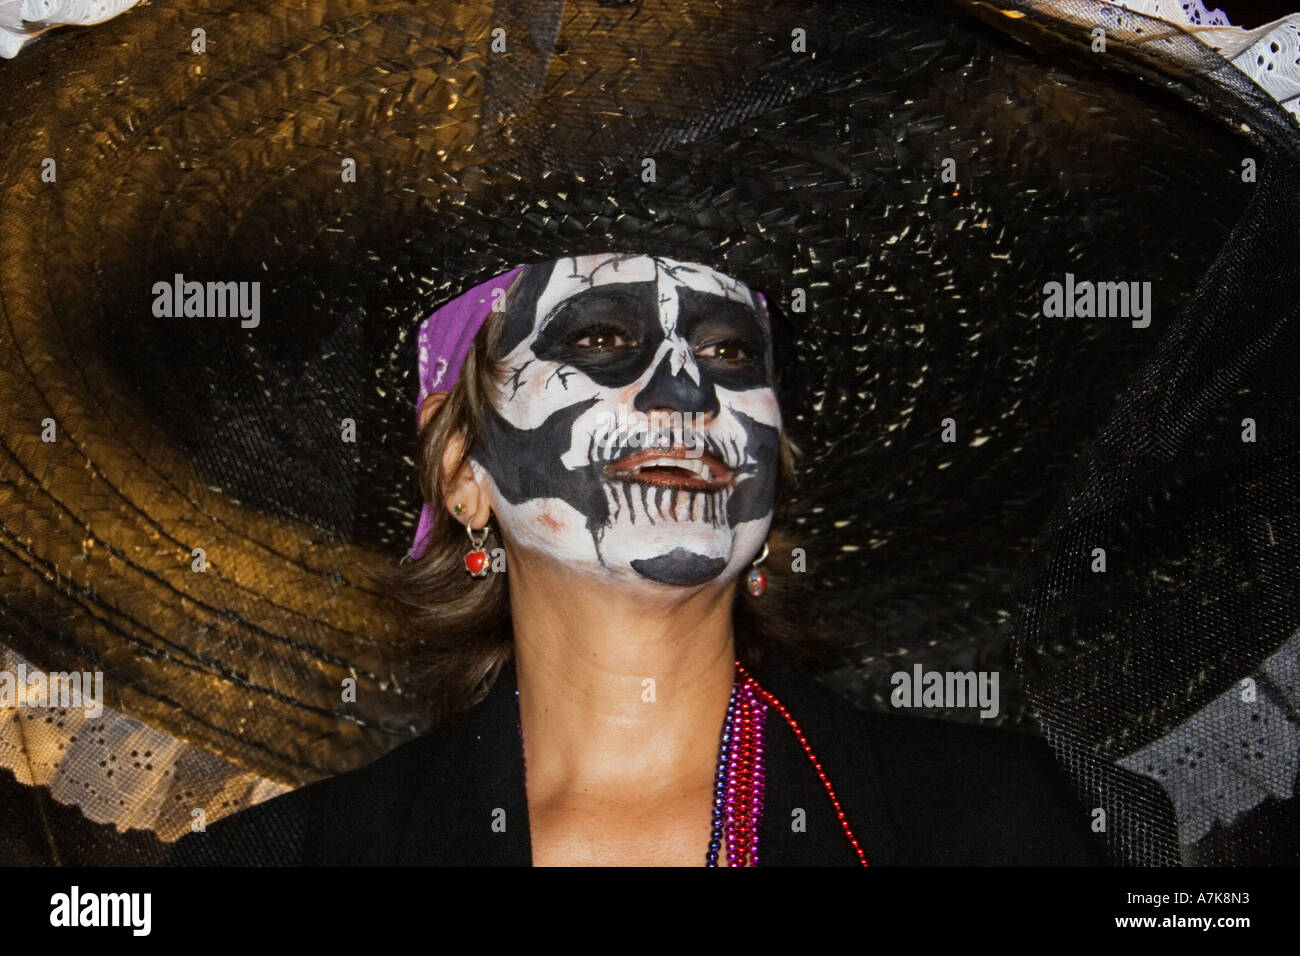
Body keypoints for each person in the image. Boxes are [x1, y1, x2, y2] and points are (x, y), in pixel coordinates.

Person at [168, 252, 1110, 866]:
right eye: (602, 337)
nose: (687, 388)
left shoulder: (995, 821)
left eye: (733, 351)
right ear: (465, 471)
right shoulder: (282, 862)